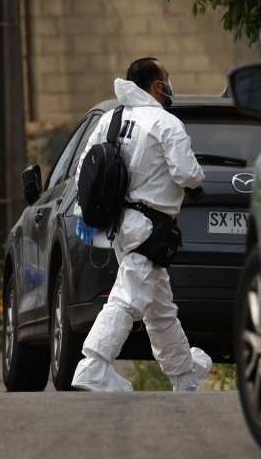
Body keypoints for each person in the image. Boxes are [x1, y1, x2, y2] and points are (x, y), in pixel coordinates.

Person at [71, 57, 211, 392]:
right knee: (129, 296)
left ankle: (183, 374)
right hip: (151, 227)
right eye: (168, 78)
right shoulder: (165, 123)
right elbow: (187, 173)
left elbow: (85, 170)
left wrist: (85, 215)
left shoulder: (111, 119)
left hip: (120, 225)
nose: (170, 85)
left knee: (159, 309)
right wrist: (197, 184)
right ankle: (94, 364)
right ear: (158, 85)